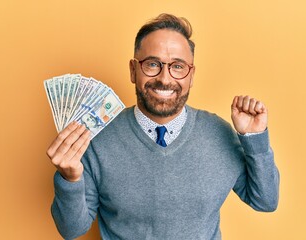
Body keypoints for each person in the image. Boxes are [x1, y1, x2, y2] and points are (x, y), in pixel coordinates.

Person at [47, 13, 280, 240]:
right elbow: (72, 230)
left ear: (191, 75)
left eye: (177, 66)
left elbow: (265, 201)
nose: (165, 79)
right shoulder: (97, 138)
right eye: (152, 64)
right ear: (133, 70)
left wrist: (254, 139)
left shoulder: (219, 133)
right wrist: (70, 179)